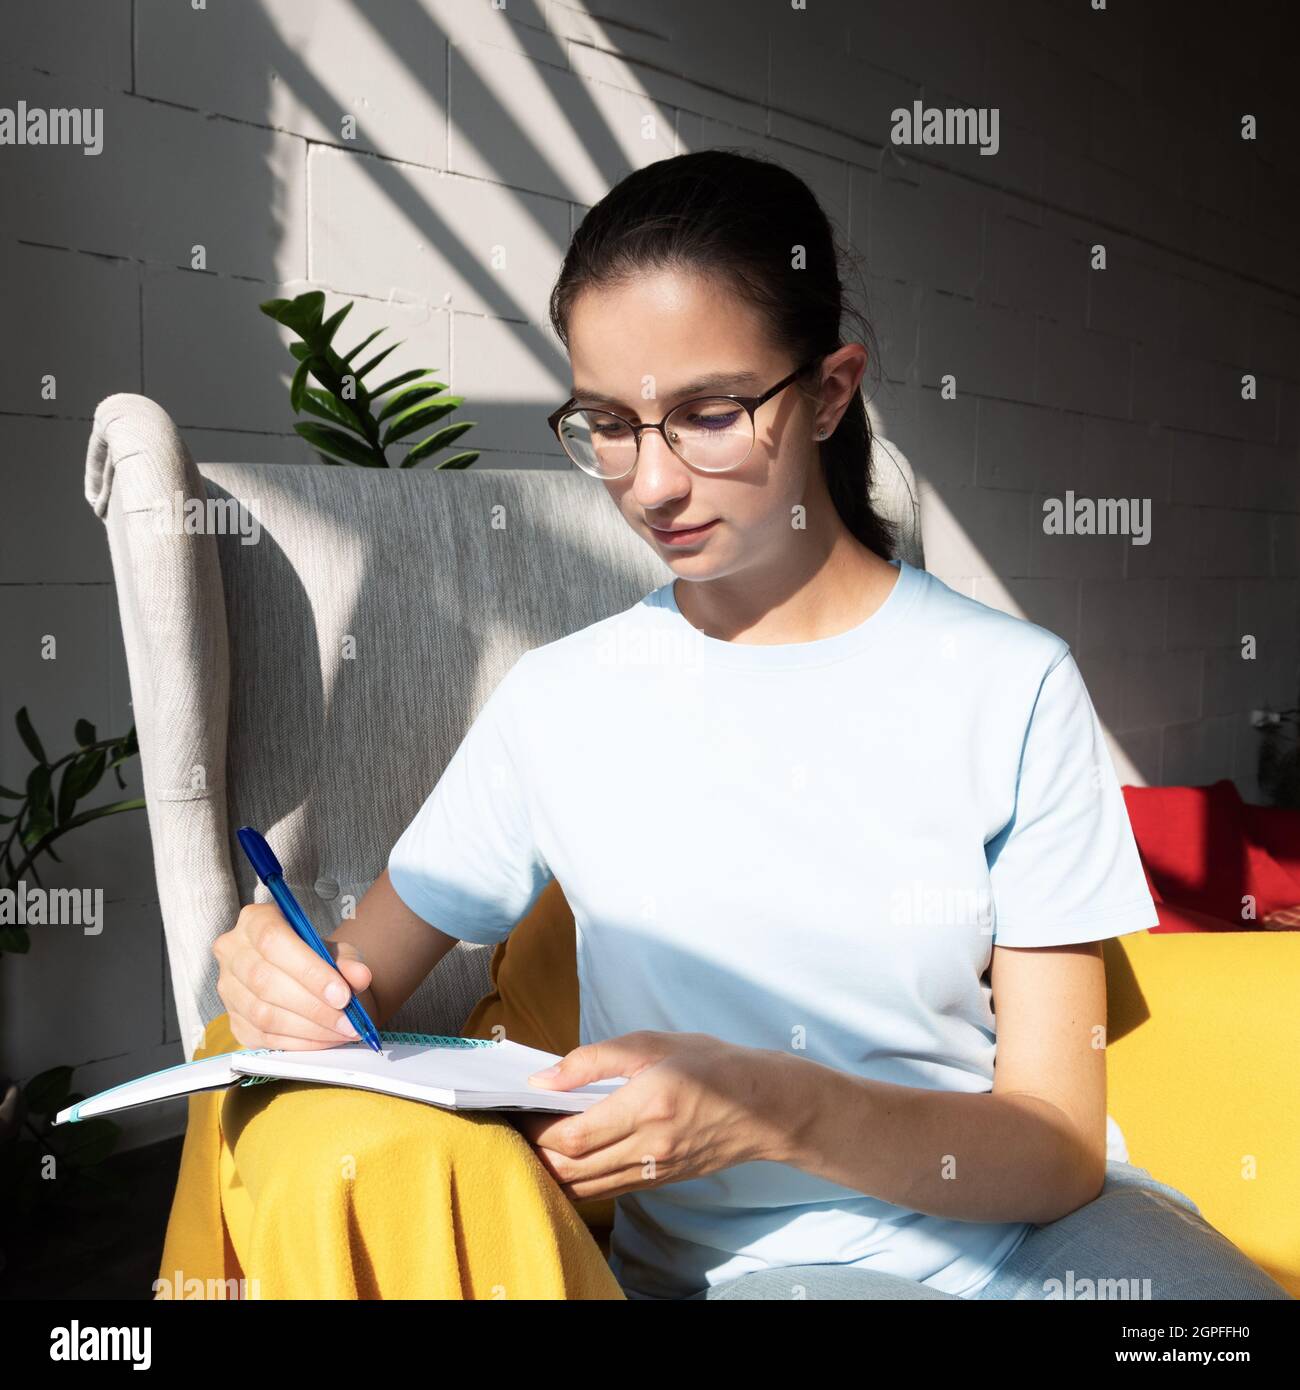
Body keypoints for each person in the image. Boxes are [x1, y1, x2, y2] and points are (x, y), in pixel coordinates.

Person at [211, 149, 1292, 1301]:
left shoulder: (1009, 684)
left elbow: (1059, 1146)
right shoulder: (563, 704)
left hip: (1046, 1233)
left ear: (829, 392)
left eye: (708, 414)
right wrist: (284, 982)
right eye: (609, 424)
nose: (652, 483)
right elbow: (357, 985)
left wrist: (769, 1104)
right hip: (773, 1274)